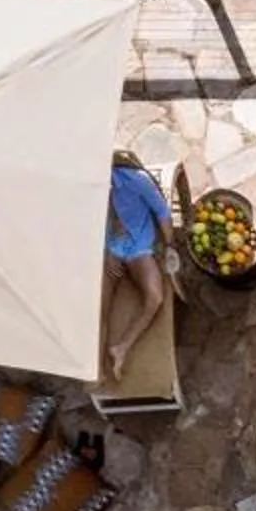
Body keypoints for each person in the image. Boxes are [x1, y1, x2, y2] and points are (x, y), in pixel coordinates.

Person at [102, 160, 171, 383]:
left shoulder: (134, 179)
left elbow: (162, 211)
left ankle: (122, 348)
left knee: (155, 297)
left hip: (138, 248)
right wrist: (106, 252)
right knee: (100, 307)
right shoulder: (89, 190)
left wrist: (169, 245)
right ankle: (97, 366)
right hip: (111, 249)